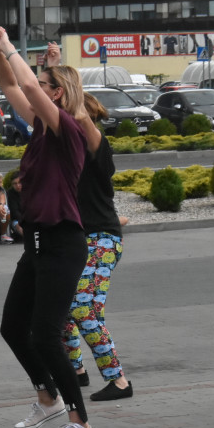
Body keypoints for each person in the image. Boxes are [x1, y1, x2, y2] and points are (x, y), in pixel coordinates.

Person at [0, 26, 95, 428]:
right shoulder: (40, 133)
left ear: (56, 94)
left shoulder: (68, 130)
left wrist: (14, 48)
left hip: (62, 244)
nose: (38, 90)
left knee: (45, 333)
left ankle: (80, 421)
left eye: (46, 86)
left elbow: (28, 84)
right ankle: (47, 397)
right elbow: (11, 83)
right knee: (13, 327)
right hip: (35, 246)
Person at [54, 66, 134, 401]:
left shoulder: (98, 149)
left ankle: (119, 381)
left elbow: (81, 118)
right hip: (77, 240)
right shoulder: (68, 152)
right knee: (61, 309)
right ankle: (77, 371)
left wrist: (72, 96)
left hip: (102, 240)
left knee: (83, 309)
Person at [6, 171, 24, 240]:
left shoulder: (29, 191)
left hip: (30, 218)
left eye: (19, 182)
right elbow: (14, 212)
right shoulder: (10, 194)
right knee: (18, 226)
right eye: (15, 184)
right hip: (16, 220)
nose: (18, 185)